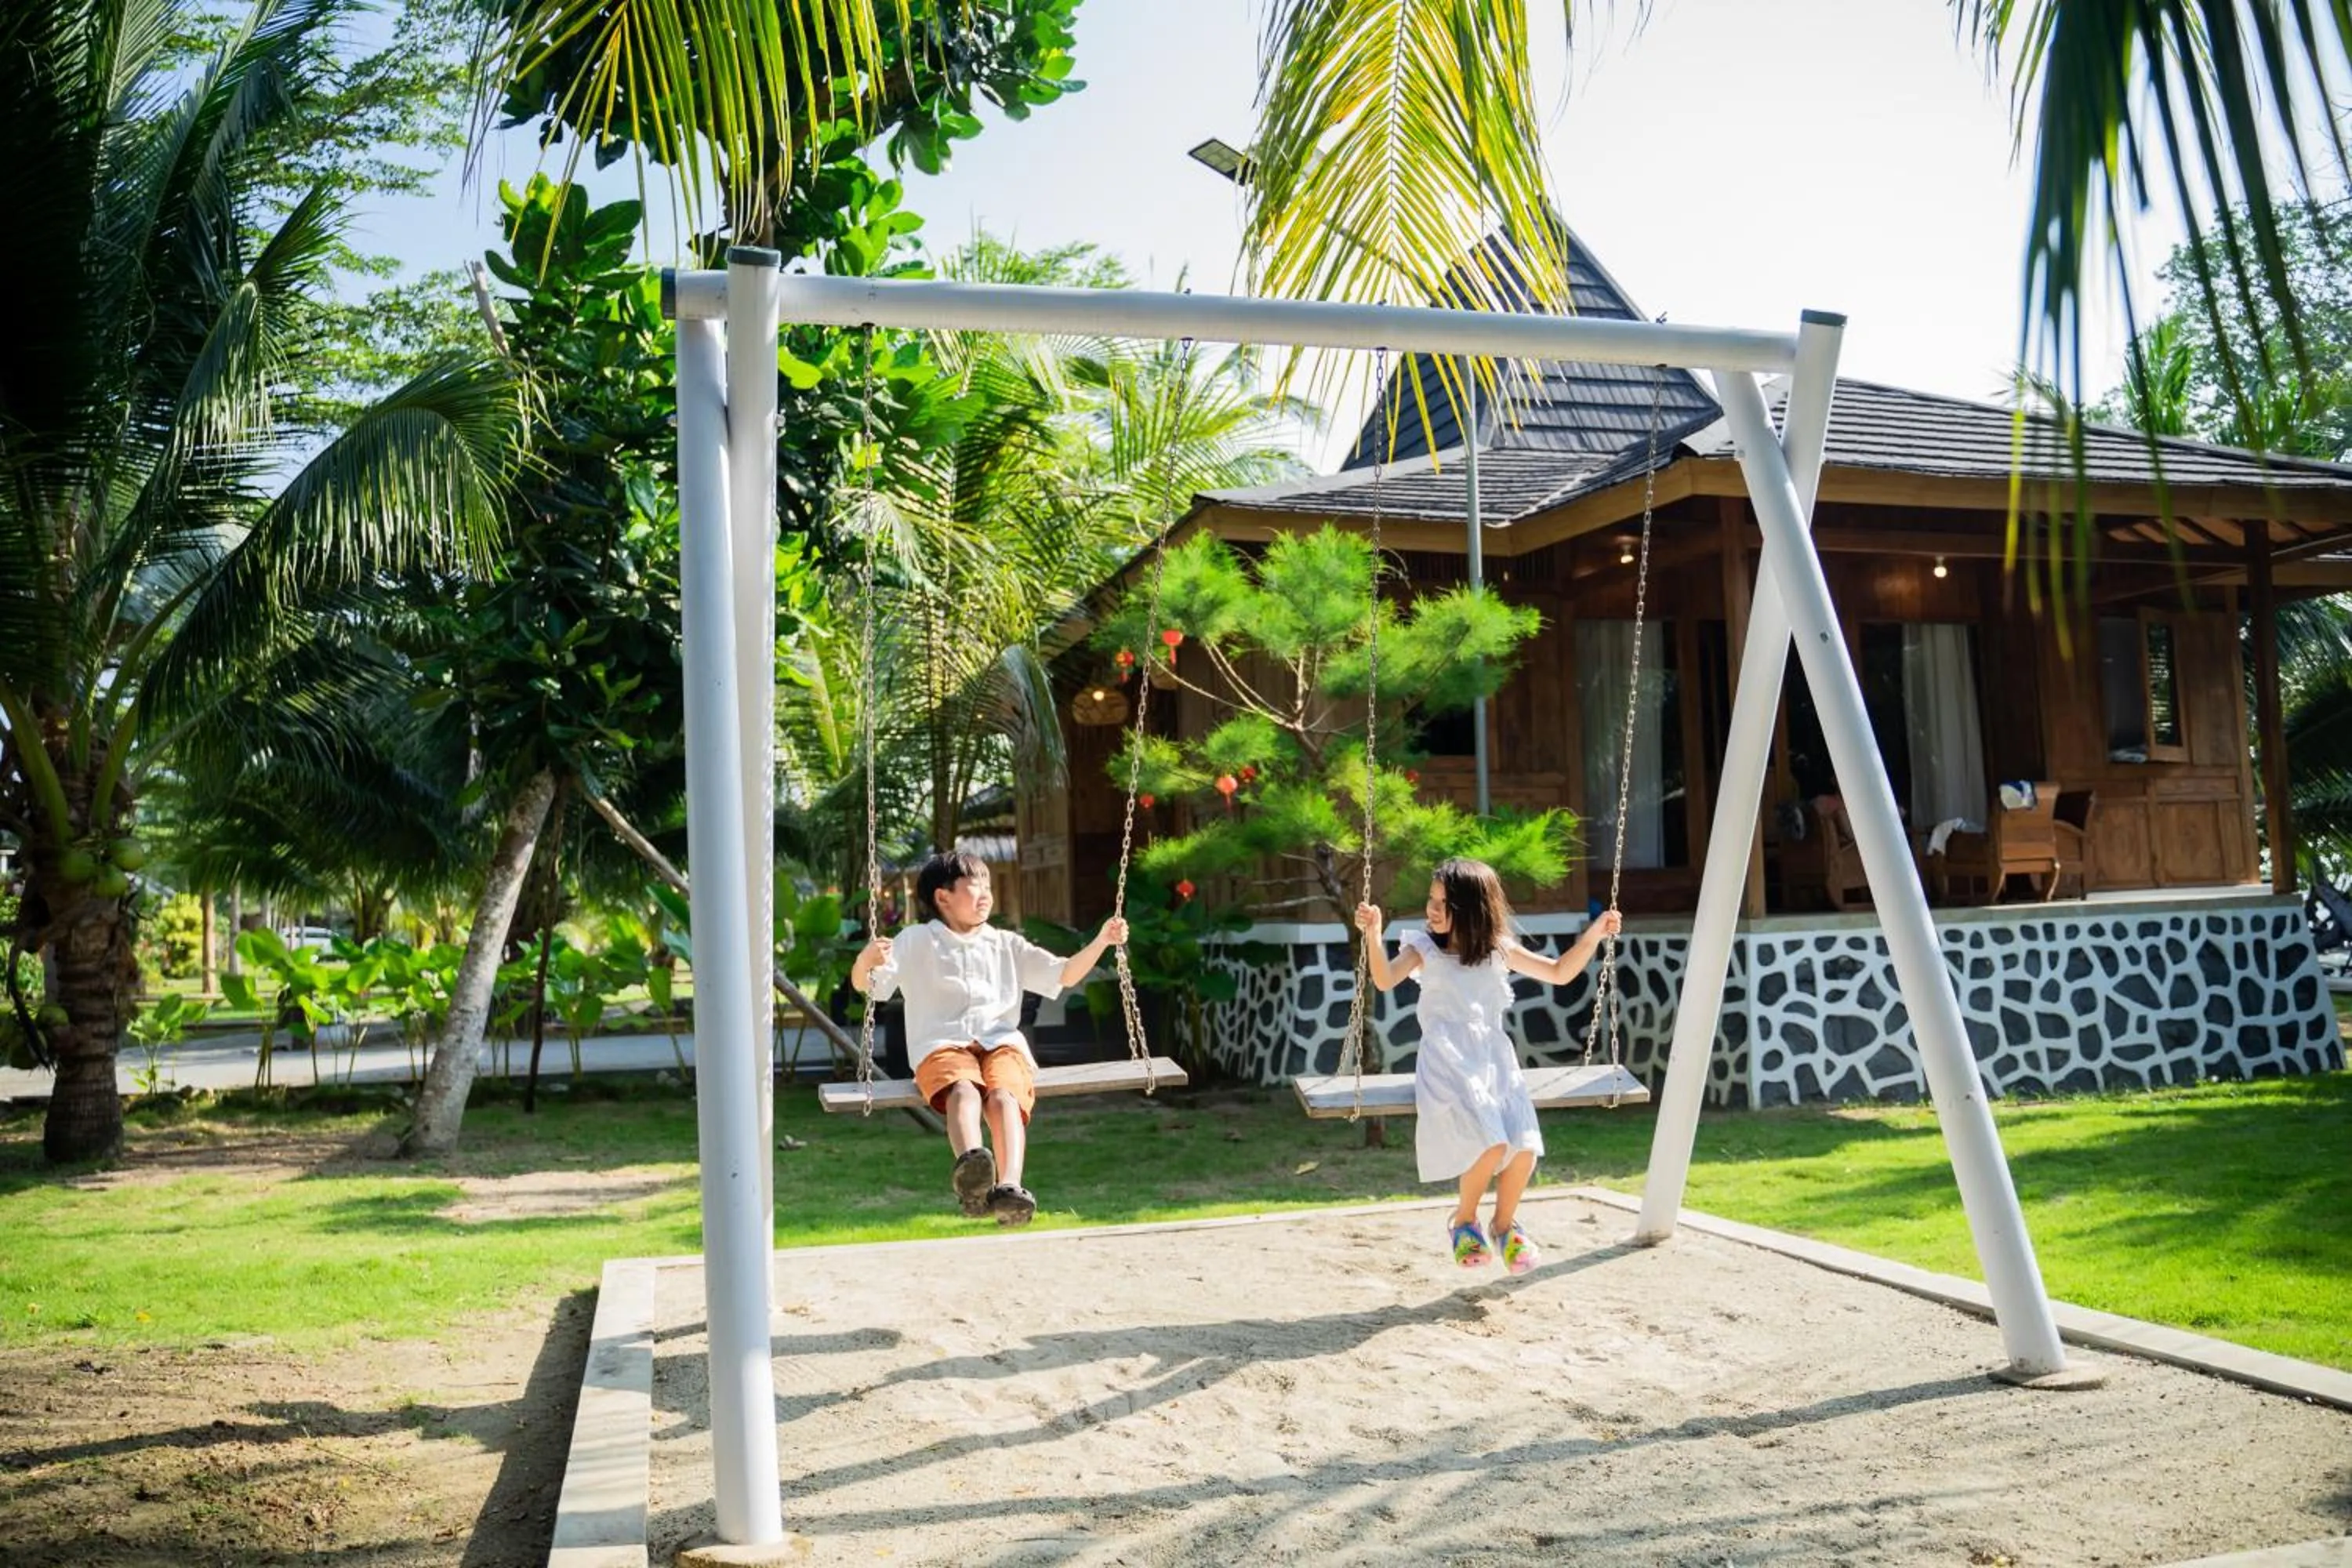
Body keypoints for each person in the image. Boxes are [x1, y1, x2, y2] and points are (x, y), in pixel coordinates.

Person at [1356, 858, 1622, 1274]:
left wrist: (1595, 934)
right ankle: (1463, 1221)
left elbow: (1559, 972)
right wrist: (1373, 934)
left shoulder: (1498, 948)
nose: (1433, 909)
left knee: (1524, 1146)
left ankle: (1504, 1227)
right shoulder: (1424, 948)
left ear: (1473, 908)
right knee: (1491, 1142)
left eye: (1444, 903)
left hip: (1494, 1059)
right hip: (1447, 1058)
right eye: (1432, 899)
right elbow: (1385, 979)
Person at [851, 851, 1126, 1226]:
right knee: (962, 1090)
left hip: (1002, 1043)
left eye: (987, 886)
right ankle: (973, 1172)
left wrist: (1102, 941)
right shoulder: (915, 940)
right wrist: (865, 961)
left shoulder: (1006, 944)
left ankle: (1009, 1187)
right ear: (942, 898)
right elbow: (871, 987)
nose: (984, 894)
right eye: (973, 886)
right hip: (941, 1044)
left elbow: (1064, 974)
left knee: (1003, 1097)